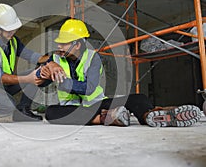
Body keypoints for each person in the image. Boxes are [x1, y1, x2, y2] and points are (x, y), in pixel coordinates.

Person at [36, 19, 202, 127]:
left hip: (96, 103)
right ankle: (106, 117)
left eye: (63, 44)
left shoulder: (93, 58)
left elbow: (89, 88)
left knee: (138, 98)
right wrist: (45, 70)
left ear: (77, 44)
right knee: (52, 113)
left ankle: (151, 115)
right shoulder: (56, 59)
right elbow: (41, 81)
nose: (59, 46)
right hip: (71, 108)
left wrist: (64, 83)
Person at [0, 3, 64, 123]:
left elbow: (33, 57)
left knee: (39, 72)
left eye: (13, 28)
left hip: (4, 86)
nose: (12, 32)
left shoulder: (13, 41)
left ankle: (23, 109)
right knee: (9, 105)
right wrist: (27, 79)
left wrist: (52, 60)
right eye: (8, 29)